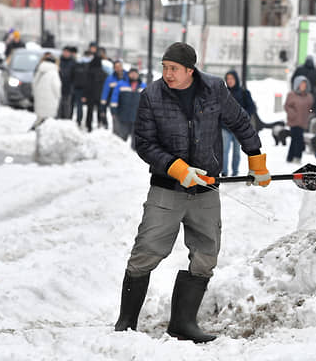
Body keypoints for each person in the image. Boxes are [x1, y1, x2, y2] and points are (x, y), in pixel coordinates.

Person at [114, 42, 270, 343]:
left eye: (173, 69)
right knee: (146, 252)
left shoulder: (213, 89)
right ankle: (126, 323)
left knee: (205, 256)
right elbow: (144, 144)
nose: (167, 74)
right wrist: (176, 168)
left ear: (190, 70)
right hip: (167, 189)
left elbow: (239, 122)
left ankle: (183, 324)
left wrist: (256, 159)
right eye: (164, 67)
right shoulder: (152, 96)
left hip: (206, 189)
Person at [221, 69, 257, 176]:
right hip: (225, 127)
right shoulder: (223, 93)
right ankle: (224, 172)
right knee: (224, 151)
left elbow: (251, 108)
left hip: (239, 128)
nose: (229, 81)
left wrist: (243, 116)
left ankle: (235, 172)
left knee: (237, 152)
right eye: (227, 79)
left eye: (231, 78)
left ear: (236, 79)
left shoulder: (244, 93)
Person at [109, 68, 145, 145]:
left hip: (137, 117)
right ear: (128, 75)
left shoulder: (143, 86)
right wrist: (113, 110)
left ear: (138, 75)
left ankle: (134, 153)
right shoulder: (120, 84)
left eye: (135, 73)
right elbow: (114, 98)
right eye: (132, 73)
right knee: (121, 138)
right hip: (123, 115)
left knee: (136, 139)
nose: (134, 75)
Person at [285, 75, 313, 163]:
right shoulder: (291, 95)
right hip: (294, 121)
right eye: (301, 84)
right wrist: (292, 113)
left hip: (303, 121)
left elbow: (311, 107)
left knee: (294, 139)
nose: (303, 86)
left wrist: (310, 114)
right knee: (299, 139)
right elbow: (287, 106)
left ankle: (290, 157)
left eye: (305, 84)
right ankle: (297, 157)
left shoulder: (309, 96)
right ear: (297, 85)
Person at [31, 52, 62, 130]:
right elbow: (56, 86)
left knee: (41, 115)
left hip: (39, 98)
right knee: (49, 118)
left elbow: (34, 83)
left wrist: (35, 94)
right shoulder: (54, 72)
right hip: (50, 99)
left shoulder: (40, 70)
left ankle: (37, 127)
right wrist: (58, 96)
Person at [81, 54, 108, 132]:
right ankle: (100, 124)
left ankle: (89, 126)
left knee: (90, 111)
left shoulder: (89, 72)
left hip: (90, 94)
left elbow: (86, 84)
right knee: (100, 110)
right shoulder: (104, 73)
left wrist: (84, 95)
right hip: (100, 95)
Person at [101, 61, 126, 132]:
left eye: (119, 66)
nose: (118, 69)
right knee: (115, 118)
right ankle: (116, 132)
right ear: (114, 68)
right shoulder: (110, 79)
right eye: (116, 67)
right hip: (114, 102)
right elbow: (105, 91)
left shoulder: (127, 77)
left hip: (124, 102)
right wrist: (103, 102)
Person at [57, 46, 77, 119]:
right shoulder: (59, 61)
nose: (66, 53)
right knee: (59, 103)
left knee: (67, 103)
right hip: (59, 85)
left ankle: (67, 118)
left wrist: (72, 85)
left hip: (68, 86)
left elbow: (74, 75)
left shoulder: (73, 62)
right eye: (64, 52)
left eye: (67, 52)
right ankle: (58, 117)